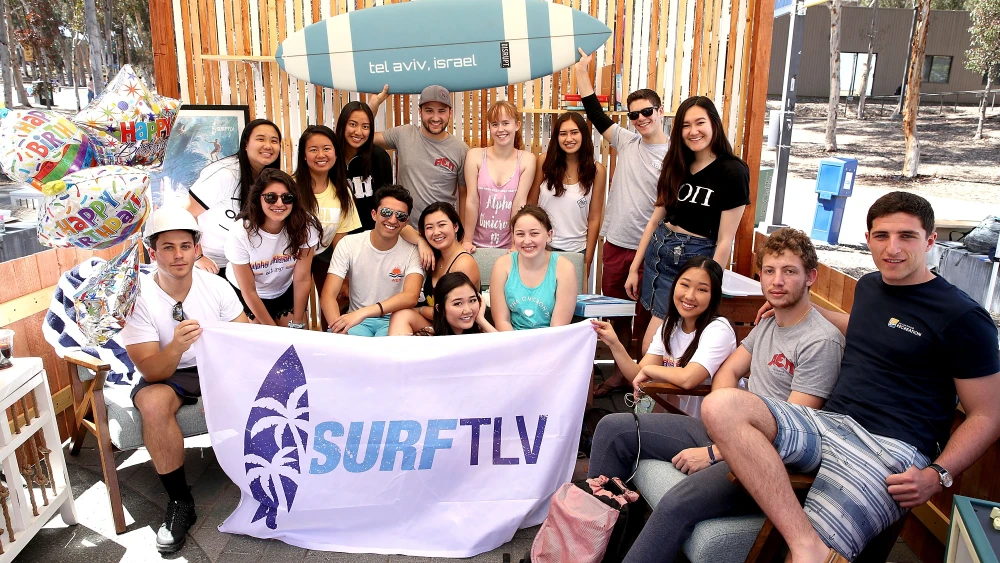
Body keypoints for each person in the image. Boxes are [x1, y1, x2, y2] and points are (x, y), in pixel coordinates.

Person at [703, 192, 1000, 562]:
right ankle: (806, 542)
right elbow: (866, 327)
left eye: (907, 236)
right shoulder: (871, 286)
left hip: (889, 449)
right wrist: (798, 307)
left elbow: (988, 414)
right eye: (882, 235)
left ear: (930, 240)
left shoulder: (963, 318)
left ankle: (807, 550)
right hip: (830, 424)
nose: (892, 248)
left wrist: (939, 474)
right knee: (721, 406)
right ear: (868, 239)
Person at [587, 228, 845, 563]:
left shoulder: (820, 341)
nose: (777, 281)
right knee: (612, 429)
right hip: (729, 434)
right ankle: (587, 544)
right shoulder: (768, 323)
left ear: (811, 277)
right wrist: (723, 422)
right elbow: (729, 371)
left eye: (789, 271)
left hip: (766, 462)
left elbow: (792, 432)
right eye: (769, 271)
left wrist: (715, 451)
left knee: (676, 502)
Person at [120, 207, 248, 553]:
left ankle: (276, 481)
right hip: (169, 368)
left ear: (197, 249)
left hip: (215, 363)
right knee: (152, 401)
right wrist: (177, 345)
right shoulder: (138, 297)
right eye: (168, 247)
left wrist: (221, 386)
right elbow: (152, 371)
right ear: (152, 252)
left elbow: (244, 340)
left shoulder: (216, 285)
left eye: (185, 246)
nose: (178, 255)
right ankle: (179, 502)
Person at [627, 95, 750, 366]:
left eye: (700, 123)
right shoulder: (677, 163)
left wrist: (709, 285)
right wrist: (635, 267)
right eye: (685, 125)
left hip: (690, 263)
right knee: (653, 339)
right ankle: (648, 390)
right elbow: (654, 220)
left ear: (714, 124)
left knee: (652, 347)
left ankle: (655, 389)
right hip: (658, 254)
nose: (693, 131)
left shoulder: (733, 171)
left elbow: (725, 240)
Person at [574, 48, 666, 397]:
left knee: (647, 317)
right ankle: (618, 374)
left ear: (660, 111)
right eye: (634, 115)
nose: (641, 119)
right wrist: (582, 71)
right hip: (616, 243)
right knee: (615, 314)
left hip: (653, 250)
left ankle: (642, 377)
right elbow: (594, 112)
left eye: (647, 112)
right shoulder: (627, 141)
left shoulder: (675, 155)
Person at [591, 256, 737, 418]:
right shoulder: (670, 326)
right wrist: (614, 343)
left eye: (702, 289)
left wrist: (650, 370)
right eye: (685, 285)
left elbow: (688, 378)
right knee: (609, 424)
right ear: (674, 286)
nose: (690, 296)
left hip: (705, 423)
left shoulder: (719, 330)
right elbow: (638, 375)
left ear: (714, 296)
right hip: (672, 418)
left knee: (612, 425)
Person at [320, 185, 424, 337]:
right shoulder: (349, 244)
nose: (393, 220)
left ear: (406, 222)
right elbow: (328, 295)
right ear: (374, 214)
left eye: (400, 216)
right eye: (386, 212)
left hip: (395, 319)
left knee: (387, 349)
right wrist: (340, 331)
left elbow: (411, 296)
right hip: (356, 321)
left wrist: (364, 312)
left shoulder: (412, 250)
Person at [186, 119, 282, 278]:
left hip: (247, 261)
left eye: (274, 141)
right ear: (245, 144)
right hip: (215, 264)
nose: (268, 145)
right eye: (260, 139)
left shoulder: (269, 179)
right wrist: (198, 256)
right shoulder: (226, 175)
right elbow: (187, 213)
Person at [224, 169, 320, 327]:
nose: (279, 203)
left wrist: (297, 323)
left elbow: (302, 278)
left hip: (283, 289)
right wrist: (273, 331)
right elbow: (248, 290)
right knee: (262, 339)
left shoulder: (305, 226)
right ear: (258, 198)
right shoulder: (241, 232)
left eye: (287, 197)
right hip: (246, 293)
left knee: (296, 336)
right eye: (271, 197)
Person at [368, 84, 469, 227]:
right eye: (429, 110)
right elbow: (364, 136)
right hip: (403, 229)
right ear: (420, 112)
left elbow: (464, 195)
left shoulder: (461, 150)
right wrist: (374, 104)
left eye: (441, 111)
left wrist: (463, 233)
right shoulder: (404, 134)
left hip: (439, 232)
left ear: (450, 113)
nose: (435, 117)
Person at [529, 112, 606, 282]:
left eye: (574, 132)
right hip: (543, 247)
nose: (568, 138)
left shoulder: (597, 171)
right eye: (563, 134)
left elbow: (594, 218)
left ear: (583, 135)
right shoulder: (544, 162)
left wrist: (588, 258)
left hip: (576, 250)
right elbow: (531, 205)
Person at [387, 202, 480, 336]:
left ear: (455, 226)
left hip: (459, 327)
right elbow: (402, 229)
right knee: (400, 315)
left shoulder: (464, 263)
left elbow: (455, 312)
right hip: (439, 323)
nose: (436, 232)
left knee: (402, 314)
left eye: (442, 225)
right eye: (429, 227)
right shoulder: (436, 255)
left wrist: (420, 310)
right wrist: (421, 242)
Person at [295, 125, 361, 296]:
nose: (321, 155)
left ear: (336, 153)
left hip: (324, 257)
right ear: (304, 155)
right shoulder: (290, 187)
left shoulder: (342, 192)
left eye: (326, 148)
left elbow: (340, 241)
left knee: (333, 301)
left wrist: (344, 276)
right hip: (290, 260)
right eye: (313, 149)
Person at [489, 206, 578, 331]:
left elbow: (557, 328)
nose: (527, 241)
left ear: (549, 235)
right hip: (511, 339)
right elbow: (502, 321)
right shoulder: (502, 265)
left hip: (550, 339)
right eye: (520, 234)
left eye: (534, 233)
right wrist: (516, 343)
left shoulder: (565, 269)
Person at [463, 100, 535, 250]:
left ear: (517, 125)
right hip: (476, 245)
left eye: (505, 123)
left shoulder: (527, 160)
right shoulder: (474, 156)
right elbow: (472, 200)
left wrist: (515, 244)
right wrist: (467, 240)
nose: (500, 129)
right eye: (495, 124)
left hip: (508, 246)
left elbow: (519, 204)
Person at [333, 101, 394, 233]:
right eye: (353, 124)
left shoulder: (379, 157)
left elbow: (385, 202)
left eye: (365, 126)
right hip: (335, 234)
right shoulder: (331, 156)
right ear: (343, 124)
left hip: (369, 235)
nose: (358, 132)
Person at [417, 272, 497, 336]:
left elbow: (502, 348)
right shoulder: (427, 338)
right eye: (458, 303)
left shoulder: (485, 333)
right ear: (440, 308)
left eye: (472, 300)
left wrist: (481, 320)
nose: (467, 310)